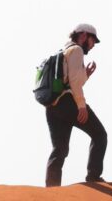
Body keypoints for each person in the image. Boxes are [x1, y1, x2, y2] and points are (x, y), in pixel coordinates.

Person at [43, 22, 108, 186]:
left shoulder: (64, 51)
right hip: (68, 103)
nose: (93, 45)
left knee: (60, 149)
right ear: (84, 35)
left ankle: (52, 188)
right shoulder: (77, 50)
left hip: (53, 106)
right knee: (100, 135)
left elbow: (72, 81)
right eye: (93, 41)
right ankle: (93, 176)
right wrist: (81, 106)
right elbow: (74, 83)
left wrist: (86, 75)